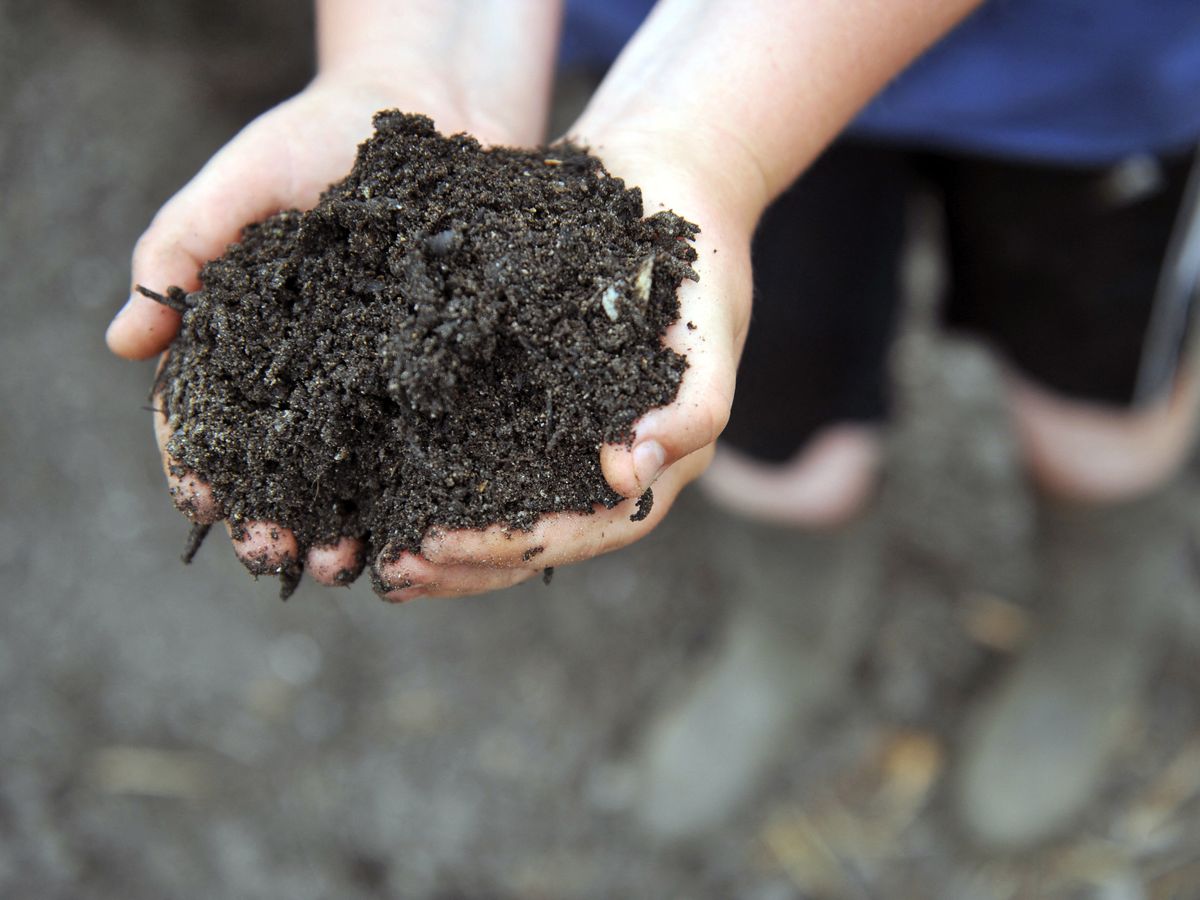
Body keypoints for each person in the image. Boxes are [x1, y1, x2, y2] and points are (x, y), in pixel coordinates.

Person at [106, 0, 1200, 850]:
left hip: (1094, 79)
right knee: (777, 440)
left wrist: (712, 136)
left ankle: (1096, 628)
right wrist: (408, 60)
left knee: (1094, 419)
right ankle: (793, 638)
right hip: (685, 68)